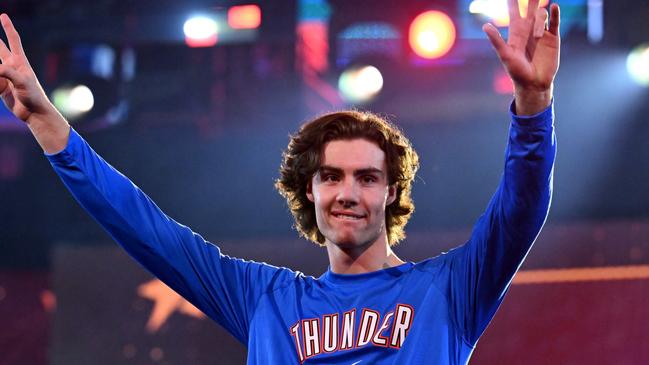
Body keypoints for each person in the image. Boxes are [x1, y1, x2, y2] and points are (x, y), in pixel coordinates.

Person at [0, 0, 560, 363]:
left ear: (391, 193)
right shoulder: (264, 299)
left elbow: (521, 209)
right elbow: (146, 229)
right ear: (309, 191)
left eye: (367, 177)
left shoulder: (450, 289)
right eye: (331, 177)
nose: (347, 193)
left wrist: (532, 103)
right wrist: (49, 124)